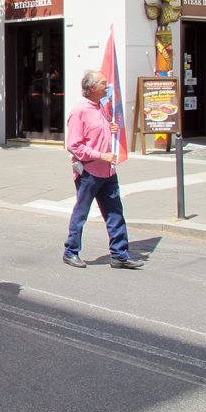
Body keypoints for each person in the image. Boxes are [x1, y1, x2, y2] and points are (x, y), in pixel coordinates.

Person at [62, 71, 143, 269]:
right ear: (90, 89)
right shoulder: (79, 111)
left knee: (115, 213)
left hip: (108, 171)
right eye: (103, 83)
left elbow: (97, 133)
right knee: (81, 213)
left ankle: (119, 254)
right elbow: (74, 145)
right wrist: (100, 155)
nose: (107, 87)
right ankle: (71, 251)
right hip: (89, 172)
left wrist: (110, 128)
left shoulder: (101, 107)